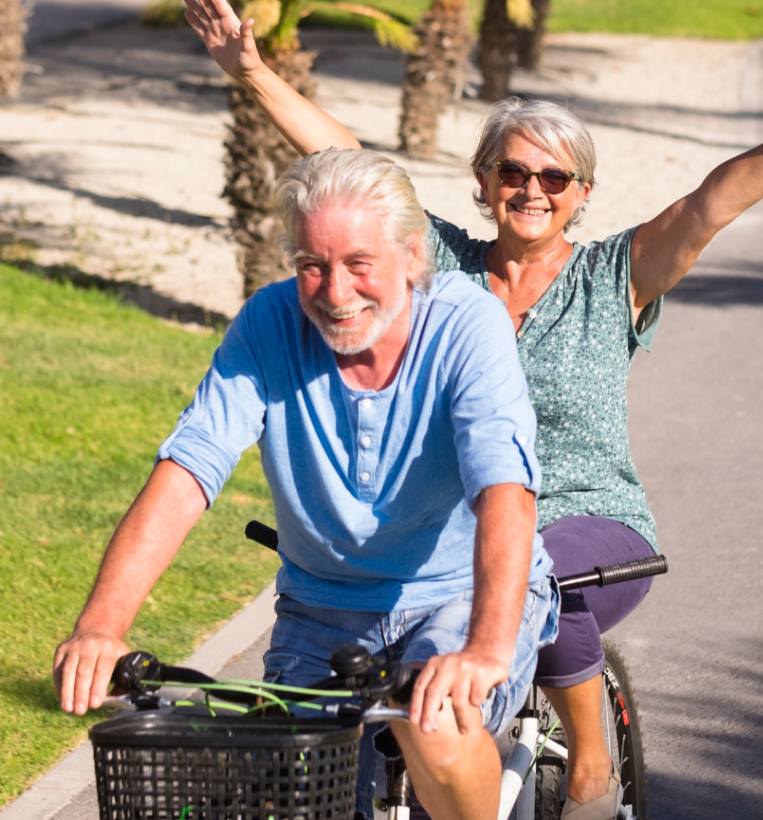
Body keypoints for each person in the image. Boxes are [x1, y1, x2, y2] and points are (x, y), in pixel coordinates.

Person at [182, 0, 763, 820]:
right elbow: (352, 162)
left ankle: (590, 769)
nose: (532, 188)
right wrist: (249, 70)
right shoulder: (441, 265)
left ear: (581, 192)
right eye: (513, 170)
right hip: (447, 536)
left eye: (555, 175)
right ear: (484, 180)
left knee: (544, 582)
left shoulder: (615, 276)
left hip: (584, 516)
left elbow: (705, 206)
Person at [54, 149, 560, 820]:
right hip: (323, 612)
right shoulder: (269, 324)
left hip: (458, 594)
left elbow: (504, 488)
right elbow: (188, 469)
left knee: (435, 724)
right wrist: (100, 627)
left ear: (412, 255)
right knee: (288, 794)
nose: (334, 292)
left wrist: (484, 650)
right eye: (312, 267)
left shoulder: (467, 324)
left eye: (358, 264)